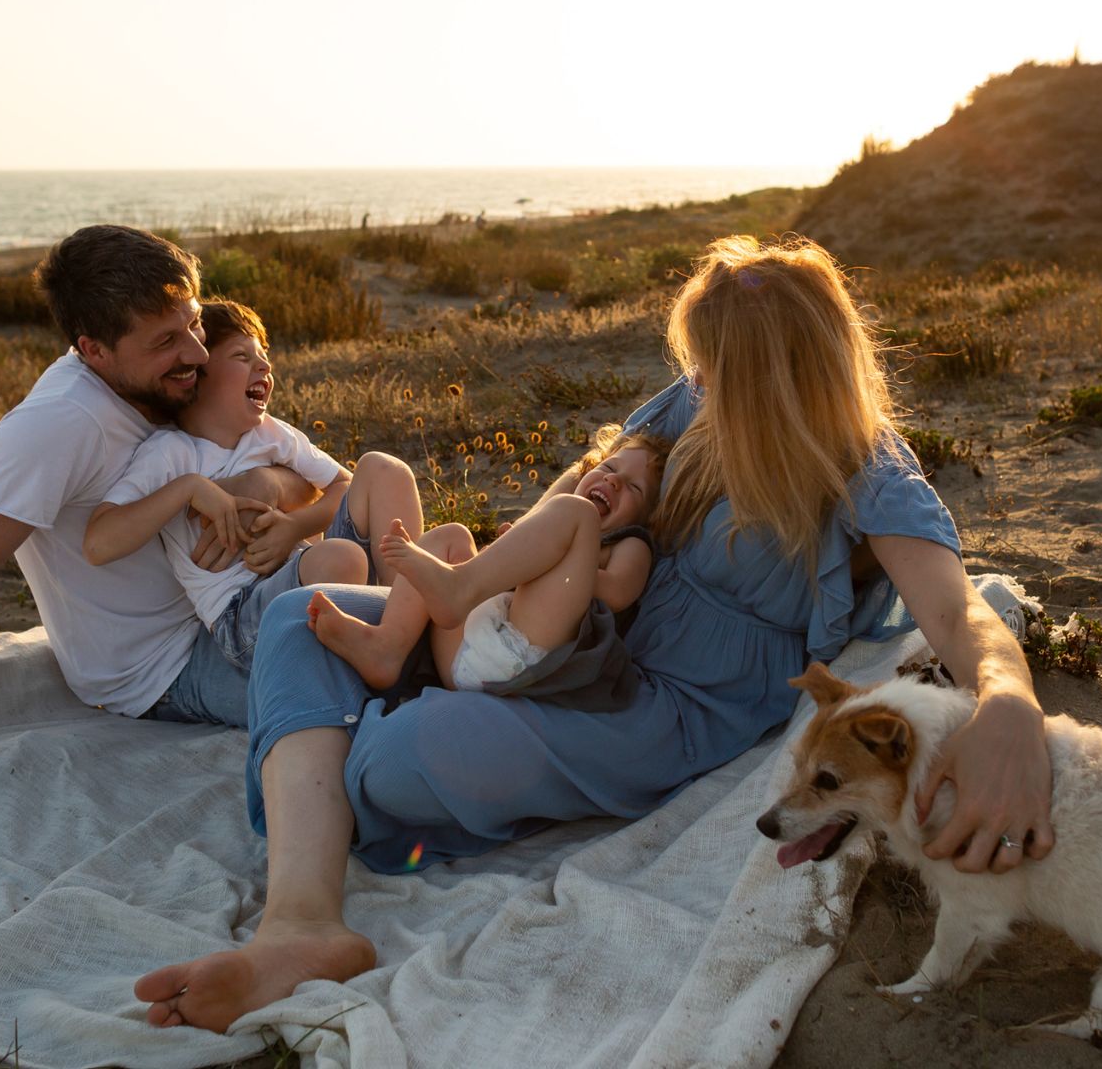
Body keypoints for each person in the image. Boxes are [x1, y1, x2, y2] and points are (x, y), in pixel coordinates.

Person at [134, 235, 1053, 1033]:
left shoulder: (864, 466)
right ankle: (300, 924)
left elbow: (958, 610)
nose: (698, 382)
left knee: (391, 761)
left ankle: (347, 751)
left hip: (659, 706)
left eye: (718, 365)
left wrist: (1008, 705)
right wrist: (486, 612)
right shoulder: (698, 397)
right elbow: (572, 499)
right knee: (302, 619)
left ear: (780, 370)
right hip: (576, 637)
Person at [0, 225, 416, 777]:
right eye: (165, 342)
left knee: (385, 498)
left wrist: (264, 486)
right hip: (169, 663)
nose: (198, 353)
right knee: (371, 692)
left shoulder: (175, 382)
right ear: (94, 351)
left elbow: (288, 470)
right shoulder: (57, 424)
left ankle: (413, 621)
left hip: (253, 588)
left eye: (195, 324)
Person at [84, 300, 369, 673]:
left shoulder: (270, 433)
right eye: (242, 355)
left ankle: (395, 620)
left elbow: (344, 485)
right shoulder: (171, 454)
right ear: (196, 377)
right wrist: (189, 488)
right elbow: (98, 544)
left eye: (263, 355)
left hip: (298, 575)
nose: (265, 366)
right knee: (342, 559)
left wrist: (296, 527)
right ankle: (386, 628)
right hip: (241, 617)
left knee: (383, 470)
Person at [308, 425, 667, 692]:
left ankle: (456, 587)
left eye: (634, 487)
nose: (615, 481)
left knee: (577, 514)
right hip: (469, 650)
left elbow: (619, 592)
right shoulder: (563, 523)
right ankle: (388, 647)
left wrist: (559, 560)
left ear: (648, 516)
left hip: (521, 660)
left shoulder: (631, 543)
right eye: (608, 469)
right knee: (453, 536)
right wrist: (519, 555)